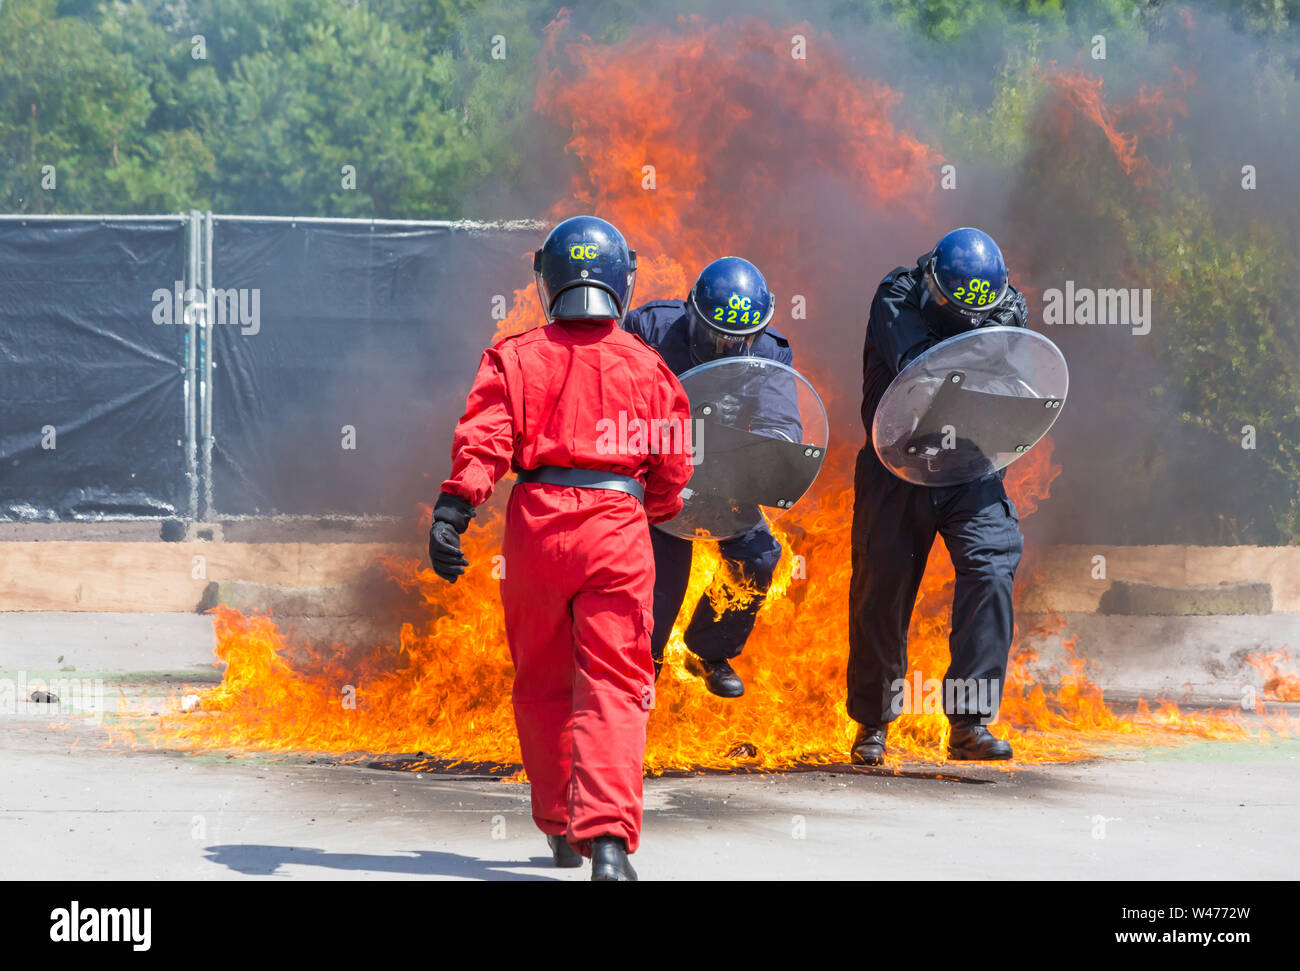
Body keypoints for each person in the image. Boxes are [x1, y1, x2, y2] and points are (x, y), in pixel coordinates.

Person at [428, 215, 693, 880]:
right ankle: (607, 841)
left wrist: (454, 508)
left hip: (537, 527)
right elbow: (673, 471)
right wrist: (651, 506)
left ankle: (559, 827)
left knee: (543, 683)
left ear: (547, 281)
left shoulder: (513, 356)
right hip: (617, 530)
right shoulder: (652, 368)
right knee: (615, 684)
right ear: (621, 282)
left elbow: (485, 439)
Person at [848, 227, 1028, 764]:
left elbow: (1013, 371)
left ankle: (969, 723)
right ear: (934, 284)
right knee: (881, 589)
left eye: (982, 313)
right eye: (957, 309)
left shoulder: (1006, 303)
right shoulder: (897, 294)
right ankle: (873, 723)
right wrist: (981, 360)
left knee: (992, 567)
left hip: (971, 464)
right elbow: (923, 372)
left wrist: (983, 361)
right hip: (896, 462)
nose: (973, 321)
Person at [623, 257, 793, 698]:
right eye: (714, 333)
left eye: (738, 337)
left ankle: (708, 650)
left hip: (725, 480)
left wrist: (771, 453)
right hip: (658, 485)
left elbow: (782, 423)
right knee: (658, 596)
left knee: (757, 556)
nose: (725, 346)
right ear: (691, 313)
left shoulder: (770, 351)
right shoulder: (648, 329)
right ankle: (644, 671)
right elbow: (616, 401)